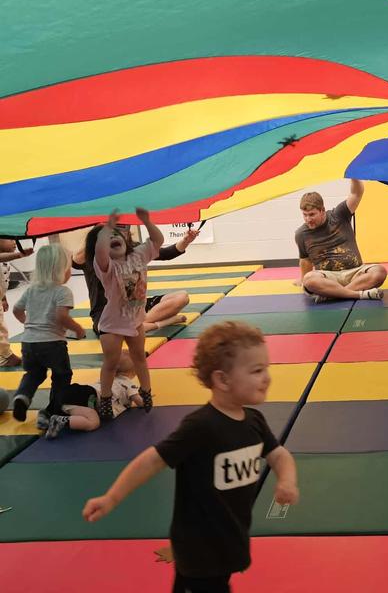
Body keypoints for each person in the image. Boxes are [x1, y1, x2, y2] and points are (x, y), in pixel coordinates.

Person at [83, 321, 300, 593]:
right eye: (257, 371)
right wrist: (111, 497)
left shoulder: (254, 421)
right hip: (199, 547)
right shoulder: (201, 426)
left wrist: (287, 481)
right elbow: (153, 459)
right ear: (222, 380)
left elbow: (278, 455)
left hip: (230, 537)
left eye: (267, 369)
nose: (267, 377)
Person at [92, 208, 163, 420]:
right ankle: (105, 398)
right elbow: (100, 252)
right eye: (108, 238)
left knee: (139, 357)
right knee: (111, 363)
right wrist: (108, 228)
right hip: (112, 324)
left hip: (135, 321)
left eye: (118, 234)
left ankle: (146, 391)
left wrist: (147, 221)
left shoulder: (139, 255)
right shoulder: (106, 266)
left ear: (127, 237)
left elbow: (157, 239)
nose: (114, 237)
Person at [11, 244, 86, 430]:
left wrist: (28, 323)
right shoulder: (62, 291)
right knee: (62, 376)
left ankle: (23, 396)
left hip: (28, 342)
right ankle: (53, 411)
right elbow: (61, 317)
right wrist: (78, 329)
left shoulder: (31, 289)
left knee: (34, 373)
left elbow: (16, 309)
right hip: (52, 343)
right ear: (62, 270)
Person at [73, 226, 198, 334]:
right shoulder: (94, 256)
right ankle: (162, 322)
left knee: (182, 297)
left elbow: (166, 253)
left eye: (124, 231)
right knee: (110, 329)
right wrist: (97, 230)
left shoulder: (134, 249)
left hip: (136, 306)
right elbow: (75, 261)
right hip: (108, 313)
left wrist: (186, 241)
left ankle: (141, 323)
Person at [296, 179, 387, 301]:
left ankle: (333, 296)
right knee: (309, 280)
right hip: (328, 278)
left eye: (312, 214)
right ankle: (358, 294)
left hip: (355, 273)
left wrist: (353, 175)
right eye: (305, 215)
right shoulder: (301, 234)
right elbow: (305, 261)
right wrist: (303, 280)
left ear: (322, 210)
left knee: (379, 272)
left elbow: (357, 193)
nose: (308, 219)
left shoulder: (338, 215)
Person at [0, 239, 33, 367]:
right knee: (1, 328)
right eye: (9, 239)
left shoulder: (5, 261)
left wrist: (3, 298)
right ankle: (6, 356)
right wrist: (19, 254)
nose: (14, 242)